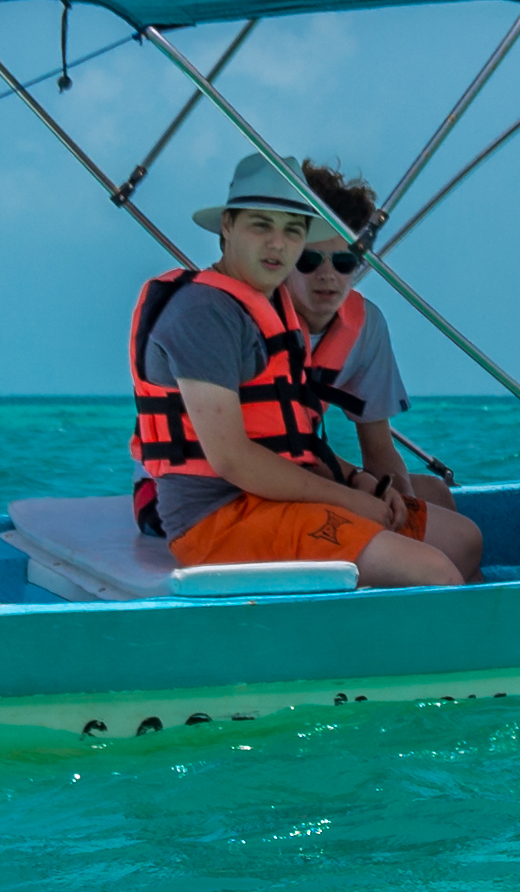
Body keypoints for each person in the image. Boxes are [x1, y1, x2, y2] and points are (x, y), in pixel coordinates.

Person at [127, 153, 466, 586]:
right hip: (215, 515)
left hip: (276, 493)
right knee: (433, 572)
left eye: (292, 231)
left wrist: (360, 482)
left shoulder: (275, 310)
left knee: (462, 540)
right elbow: (233, 458)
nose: (277, 245)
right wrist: (349, 497)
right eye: (261, 226)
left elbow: (293, 440)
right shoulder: (204, 314)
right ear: (227, 226)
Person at [285, 158, 486, 580]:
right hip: (272, 480)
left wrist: (404, 515)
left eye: (344, 262)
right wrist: (366, 494)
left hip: (310, 470)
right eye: (309, 261)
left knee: (434, 494)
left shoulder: (364, 327)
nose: (328, 276)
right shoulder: (256, 323)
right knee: (464, 541)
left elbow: (378, 448)